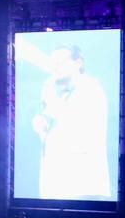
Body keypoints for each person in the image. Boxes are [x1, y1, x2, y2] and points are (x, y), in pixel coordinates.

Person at [30, 43, 111, 200]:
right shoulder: (50, 88)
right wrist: (39, 121)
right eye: (53, 63)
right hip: (53, 184)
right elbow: (46, 117)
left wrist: (50, 107)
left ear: (78, 62)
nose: (56, 67)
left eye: (61, 61)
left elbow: (75, 126)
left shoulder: (91, 88)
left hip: (84, 183)